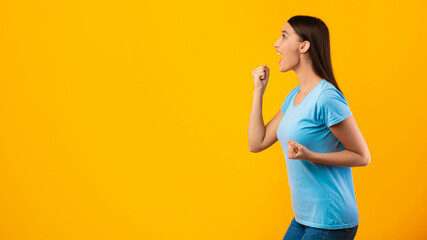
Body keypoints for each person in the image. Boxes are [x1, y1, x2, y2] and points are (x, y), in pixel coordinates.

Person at [247, 15, 371, 240]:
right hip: (304, 218)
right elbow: (257, 143)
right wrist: (258, 92)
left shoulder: (326, 97)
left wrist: (310, 155)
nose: (277, 43)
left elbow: (362, 156)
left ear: (304, 46)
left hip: (330, 220)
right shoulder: (294, 96)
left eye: (284, 36)